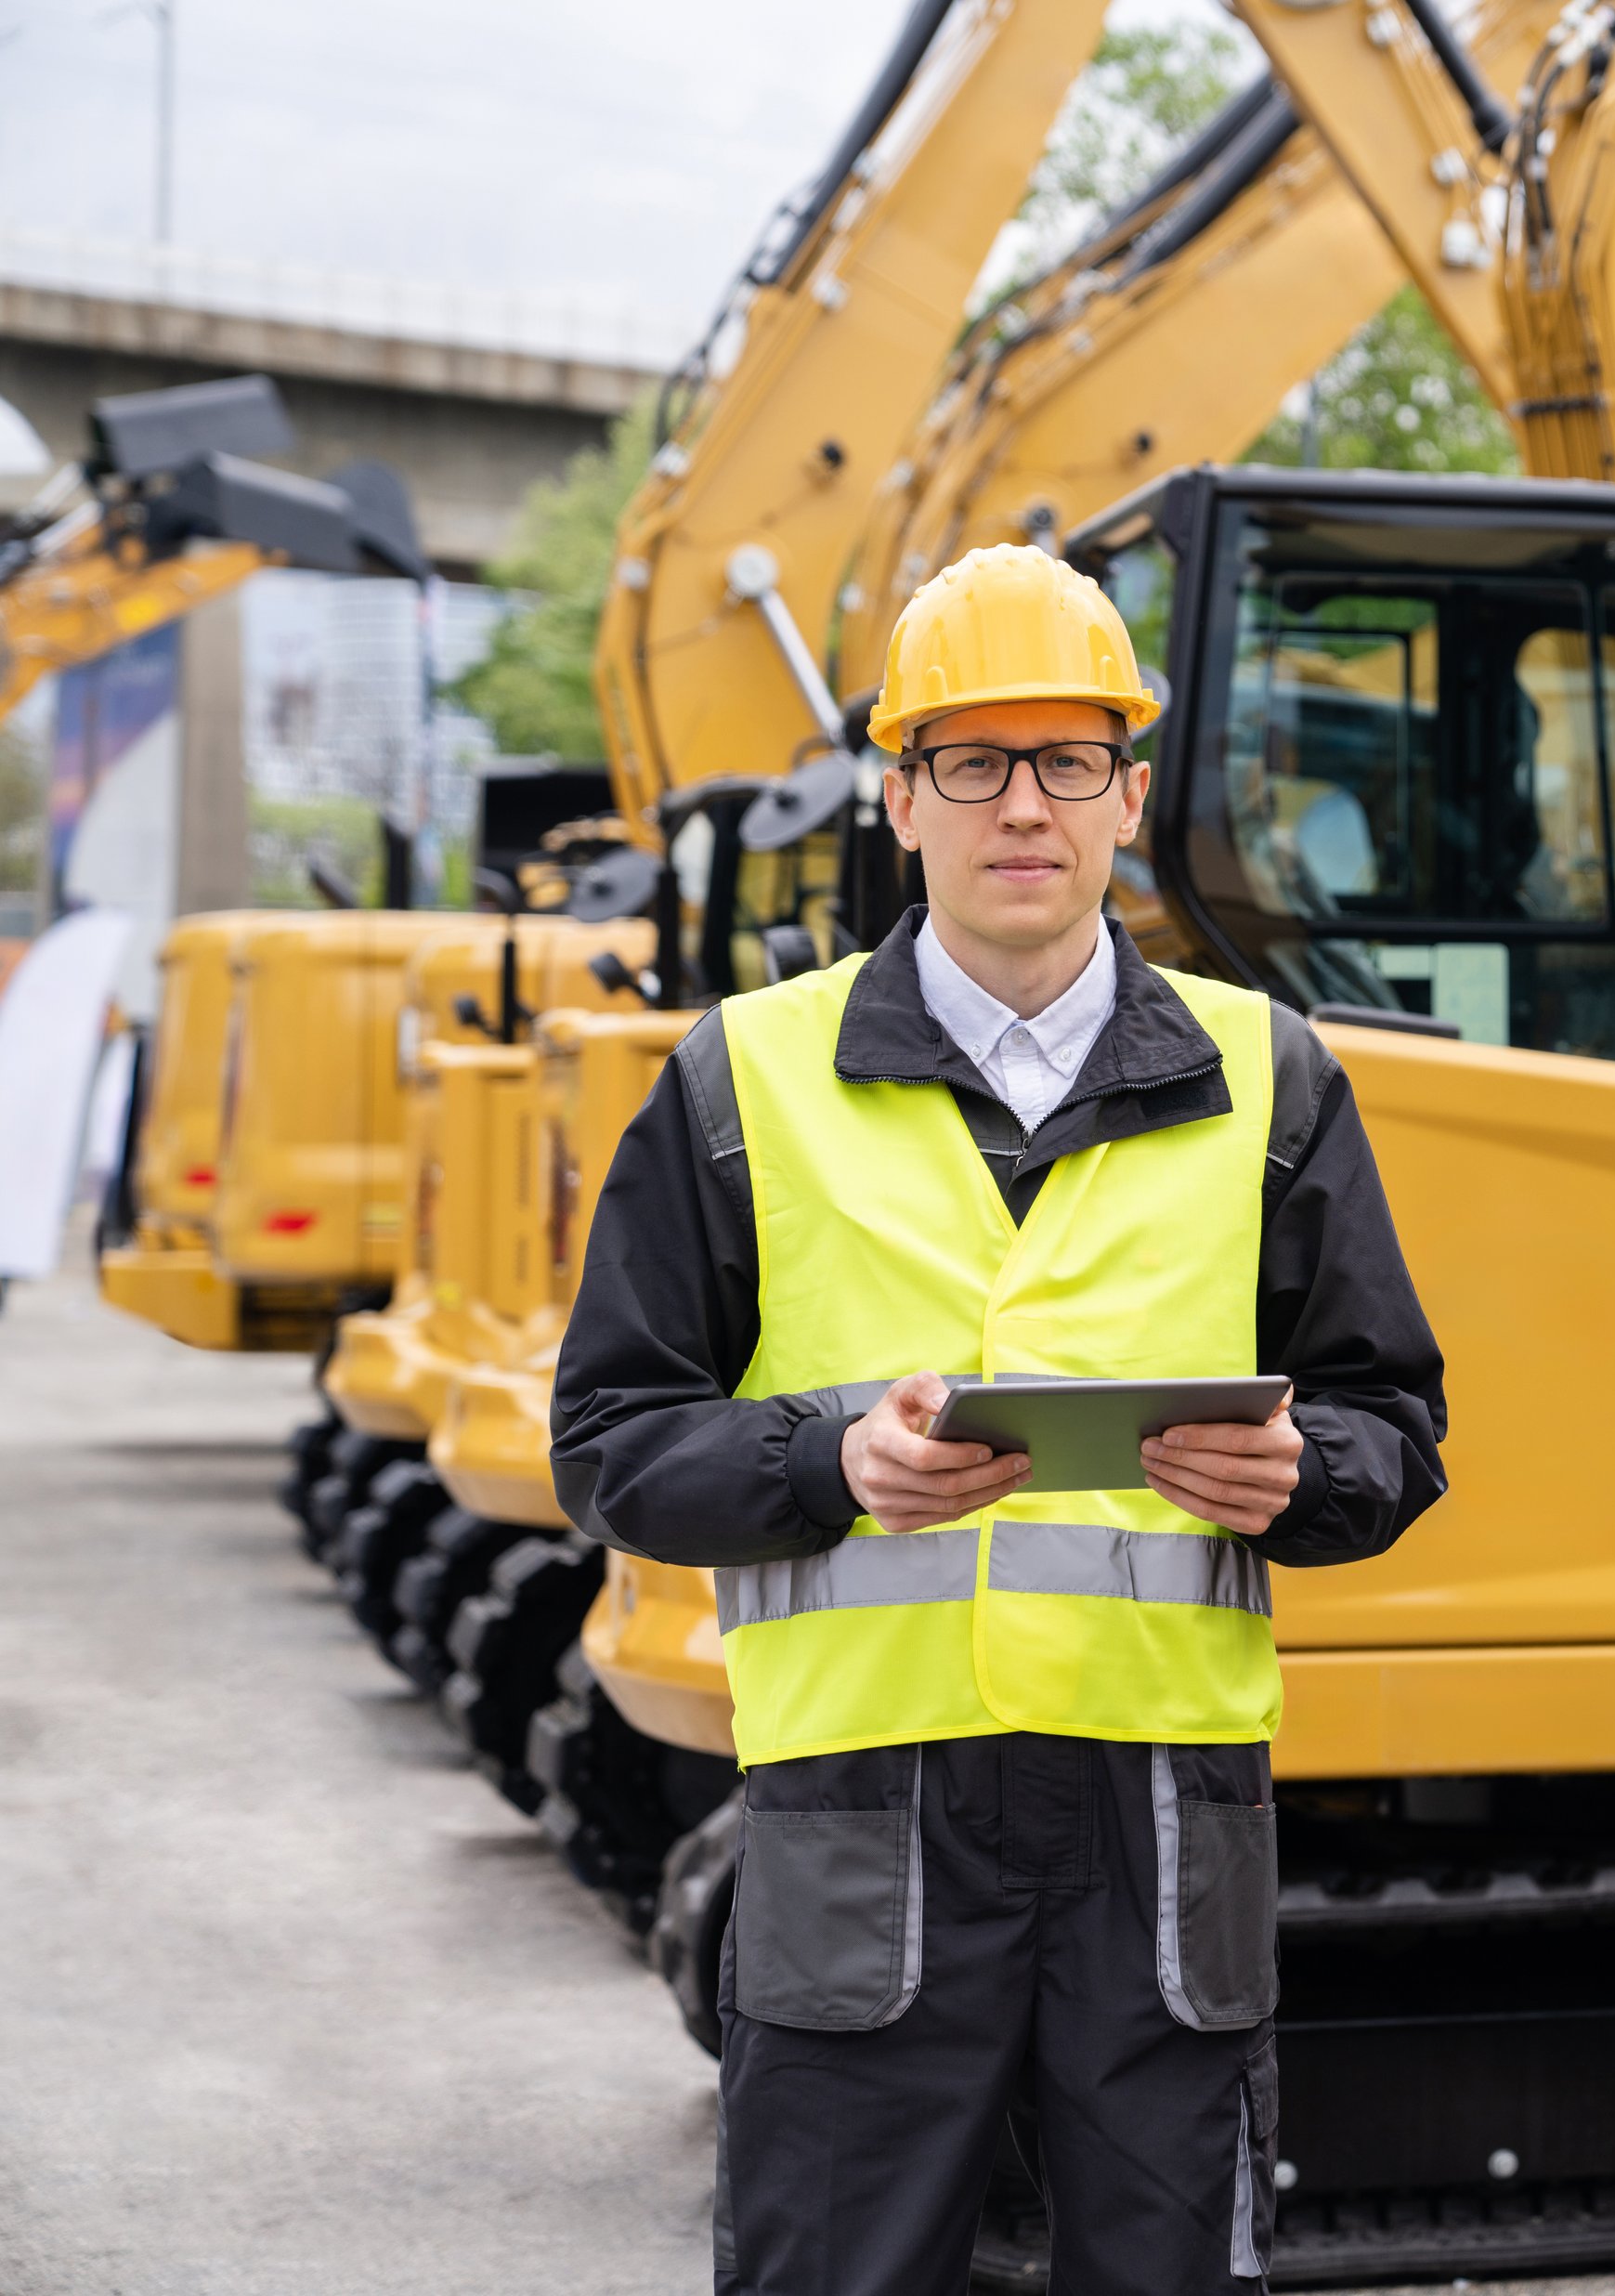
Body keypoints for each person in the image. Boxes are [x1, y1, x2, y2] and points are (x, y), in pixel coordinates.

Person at [550, 542, 1446, 2295]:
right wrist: (830, 1461)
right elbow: (609, 1440)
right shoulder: (739, 1076)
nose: (1020, 806)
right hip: (857, 1817)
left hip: (1164, 1816)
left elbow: (1391, 1431)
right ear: (902, 796)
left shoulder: (1275, 1076)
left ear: (1128, 795)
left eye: (1067, 762)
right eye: (972, 760)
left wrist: (1300, 1472)